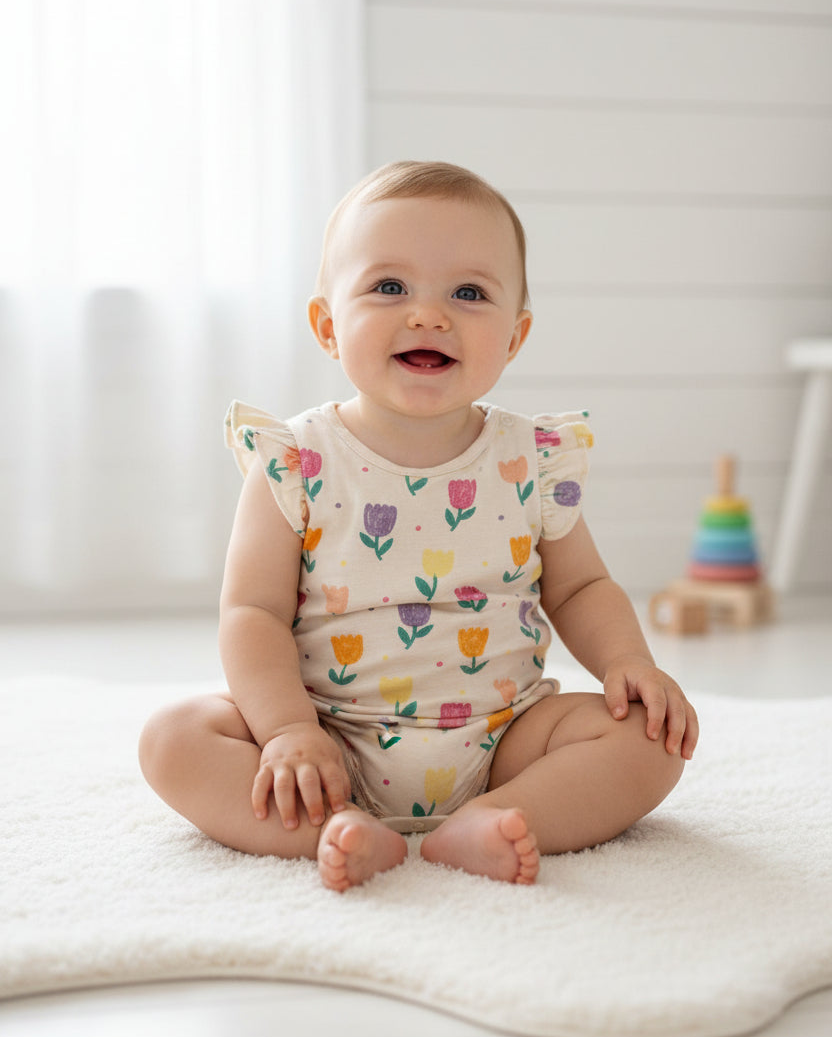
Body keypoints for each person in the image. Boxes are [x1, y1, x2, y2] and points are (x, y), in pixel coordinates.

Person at [139, 160, 698, 891]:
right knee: (173, 739)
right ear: (328, 326)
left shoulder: (533, 458)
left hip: (505, 739)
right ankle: (336, 825)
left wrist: (629, 661)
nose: (429, 316)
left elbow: (581, 588)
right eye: (389, 287)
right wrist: (288, 731)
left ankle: (498, 817)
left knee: (650, 743)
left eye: (469, 293)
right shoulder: (296, 461)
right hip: (329, 737)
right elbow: (253, 612)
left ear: (515, 337)